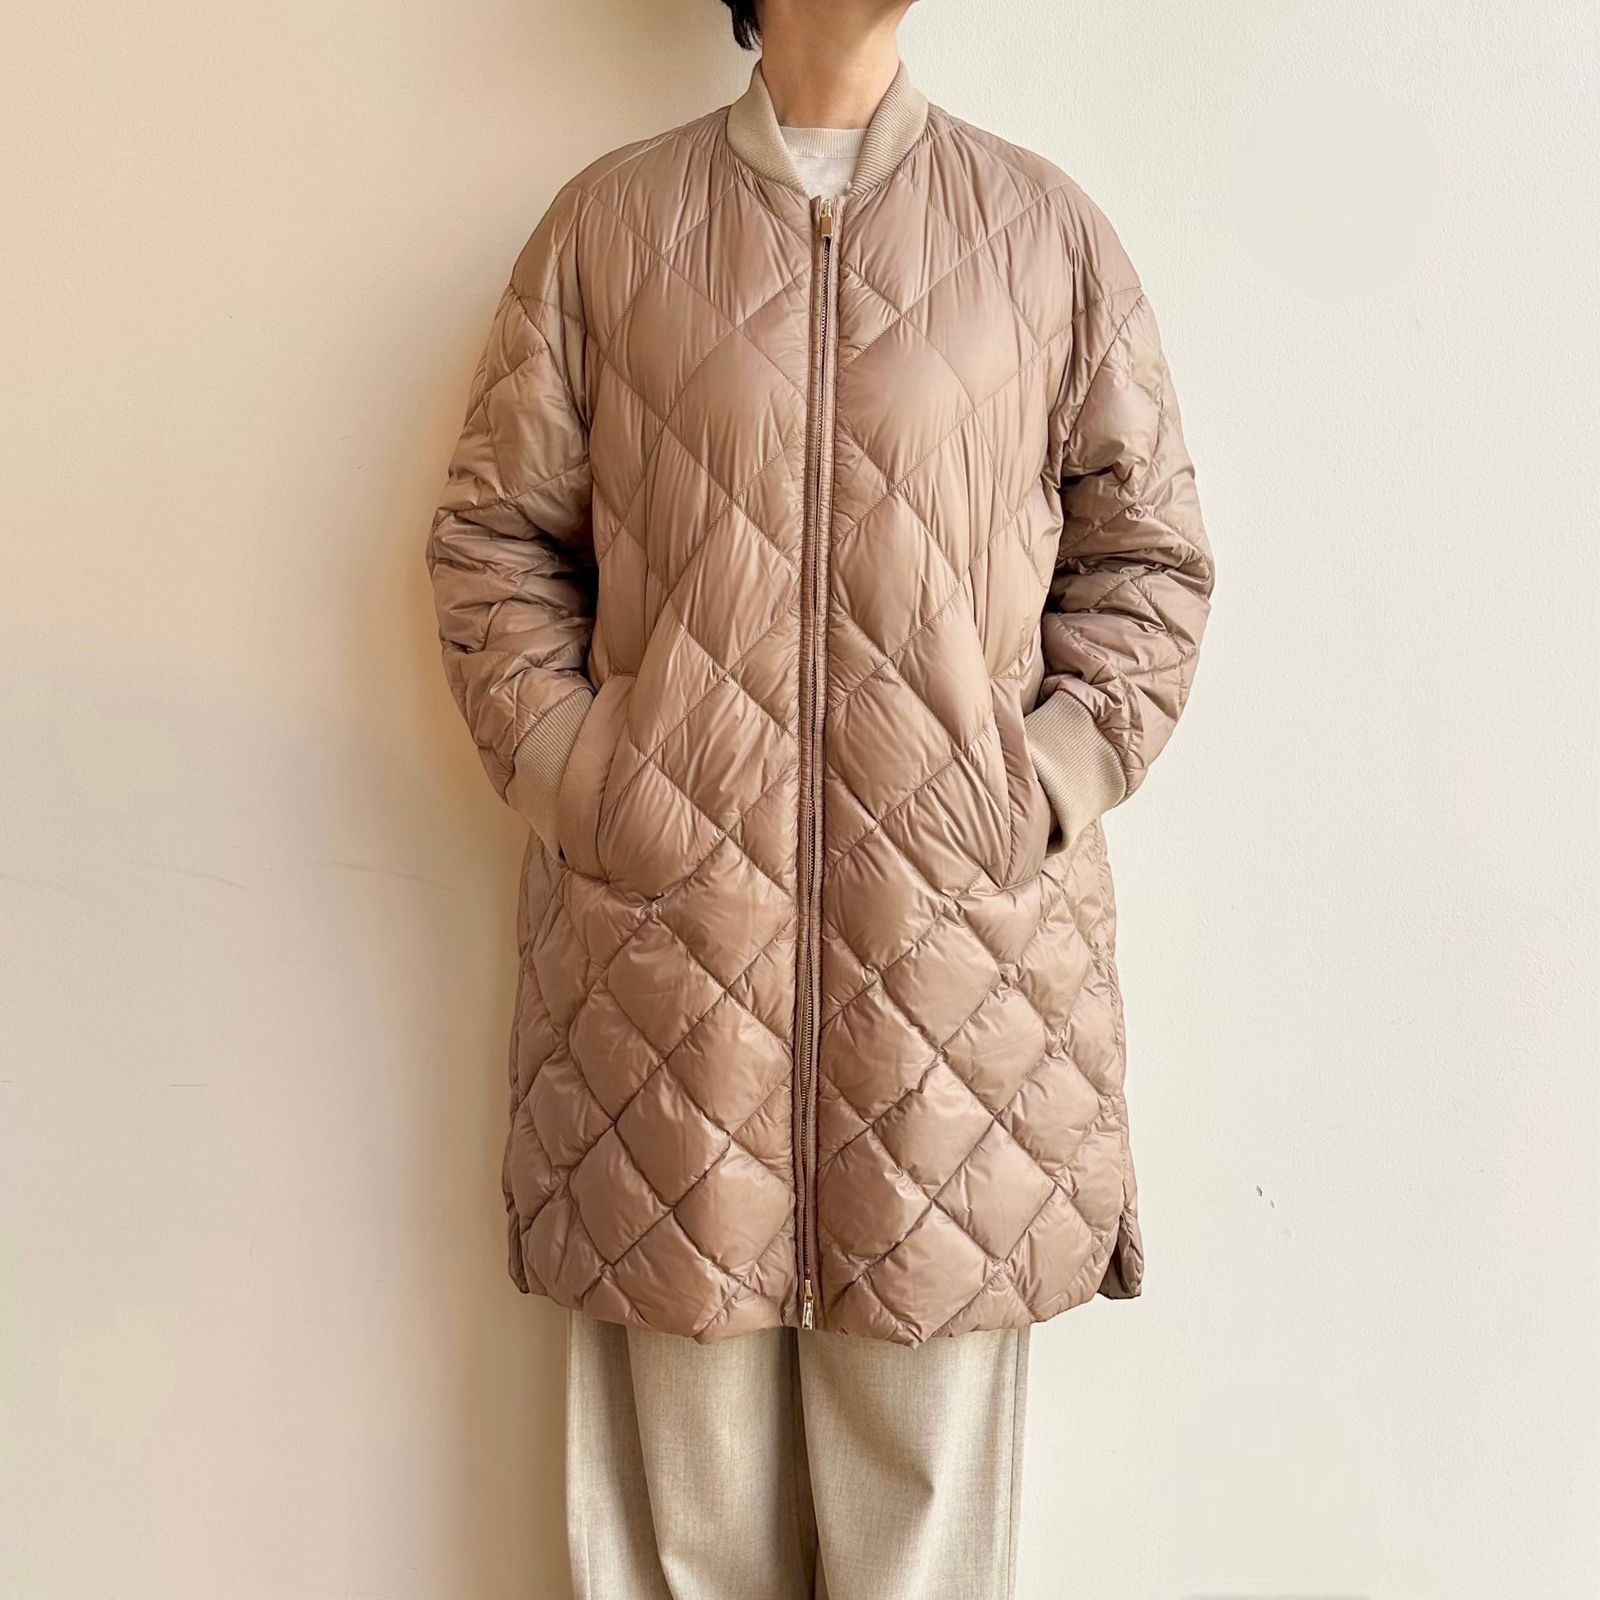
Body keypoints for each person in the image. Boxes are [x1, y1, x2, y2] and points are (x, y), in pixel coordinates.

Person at [425, 0, 1214, 1594]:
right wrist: (587, 780)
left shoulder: (1041, 233)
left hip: (957, 983)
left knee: (920, 1541)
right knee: (683, 1539)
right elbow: (495, 545)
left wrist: (1039, 784)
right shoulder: (610, 228)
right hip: (672, 971)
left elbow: (1148, 562)